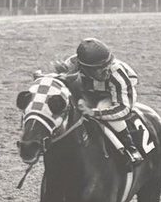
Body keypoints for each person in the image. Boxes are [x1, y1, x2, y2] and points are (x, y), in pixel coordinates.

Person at [49, 37, 143, 165]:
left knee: (103, 105)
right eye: (99, 68)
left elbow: (123, 108)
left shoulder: (116, 72)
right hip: (90, 90)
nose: (105, 70)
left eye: (107, 64)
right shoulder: (71, 66)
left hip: (114, 93)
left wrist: (95, 113)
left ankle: (130, 147)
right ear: (84, 67)